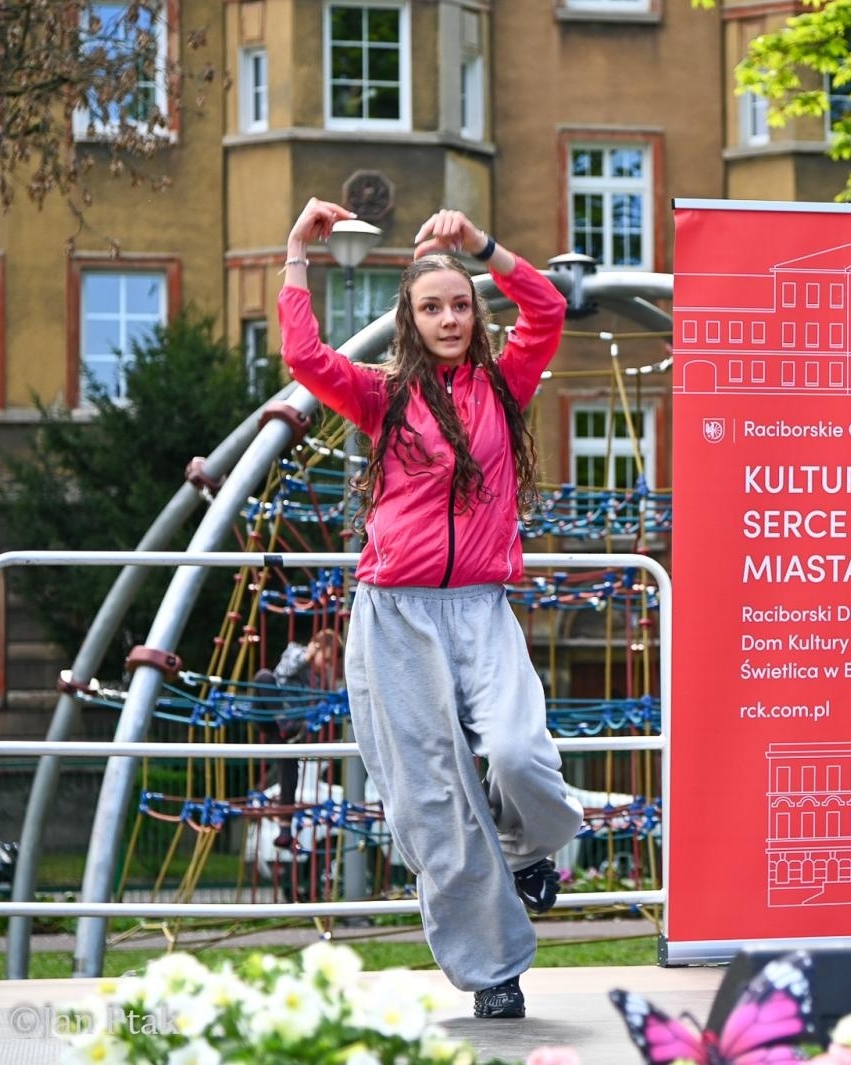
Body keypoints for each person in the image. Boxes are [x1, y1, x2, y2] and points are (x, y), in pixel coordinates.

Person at [278, 198, 583, 1019]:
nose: (449, 318)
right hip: (398, 616)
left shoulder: (503, 382)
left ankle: (525, 851)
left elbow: (548, 306)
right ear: (409, 320)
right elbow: (303, 354)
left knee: (520, 754)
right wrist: (297, 251)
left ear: (474, 312)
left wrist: (480, 243)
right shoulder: (382, 397)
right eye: (432, 307)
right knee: (435, 805)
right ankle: (493, 970)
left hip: (481, 608)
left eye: (460, 304)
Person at [253, 629, 344, 850]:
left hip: (287, 730)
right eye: (327, 659)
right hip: (268, 714)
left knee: (289, 766)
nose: (326, 665)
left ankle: (285, 830)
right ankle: (286, 724)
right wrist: (307, 656)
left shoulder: (318, 679)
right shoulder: (295, 652)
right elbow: (284, 671)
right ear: (315, 648)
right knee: (263, 676)